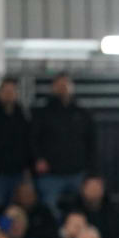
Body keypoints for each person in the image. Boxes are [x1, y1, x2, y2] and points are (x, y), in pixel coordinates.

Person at [32, 73, 95, 213]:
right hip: (51, 173)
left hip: (77, 171)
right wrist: (38, 159)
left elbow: (91, 142)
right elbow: (33, 139)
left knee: (83, 208)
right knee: (49, 208)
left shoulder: (82, 113)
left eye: (65, 85)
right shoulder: (42, 113)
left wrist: (91, 170)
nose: (63, 88)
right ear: (53, 88)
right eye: (59, 85)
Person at [0, 76, 34, 206]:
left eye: (12, 91)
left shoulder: (22, 115)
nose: (9, 94)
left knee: (18, 208)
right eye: (6, 91)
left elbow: (27, 142)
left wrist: (27, 167)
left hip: (18, 171)